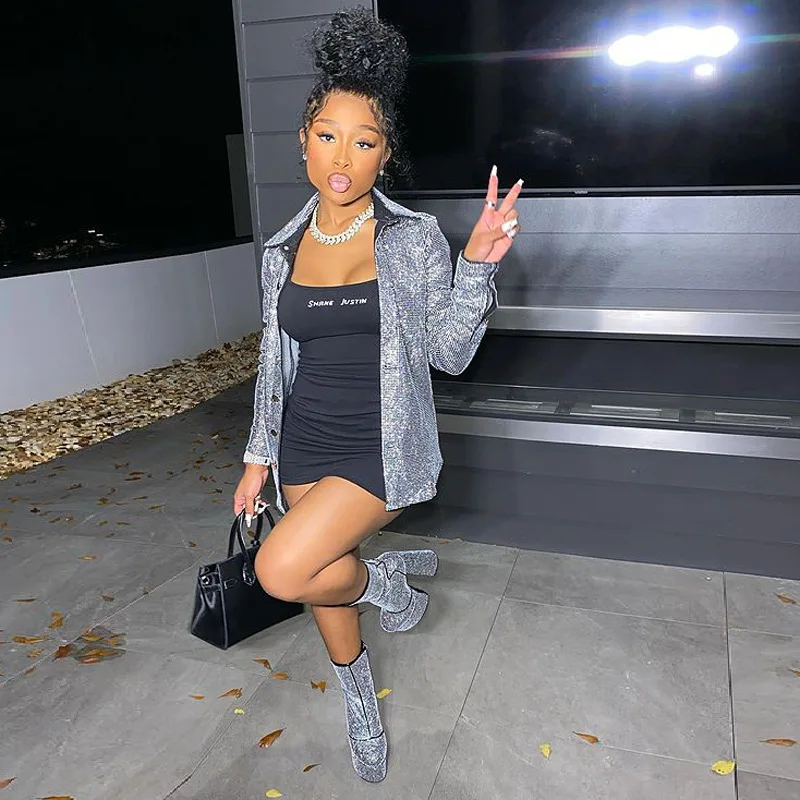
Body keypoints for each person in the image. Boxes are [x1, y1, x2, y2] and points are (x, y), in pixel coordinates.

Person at [233, 7, 521, 784]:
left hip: (380, 445)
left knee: (283, 571)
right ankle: (359, 696)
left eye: (365, 142)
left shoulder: (412, 239)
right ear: (303, 139)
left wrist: (477, 267)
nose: (343, 156)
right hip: (303, 442)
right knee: (324, 580)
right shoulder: (280, 251)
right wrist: (258, 457)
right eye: (328, 134)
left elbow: (449, 355)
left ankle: (385, 583)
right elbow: (273, 361)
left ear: (385, 154)